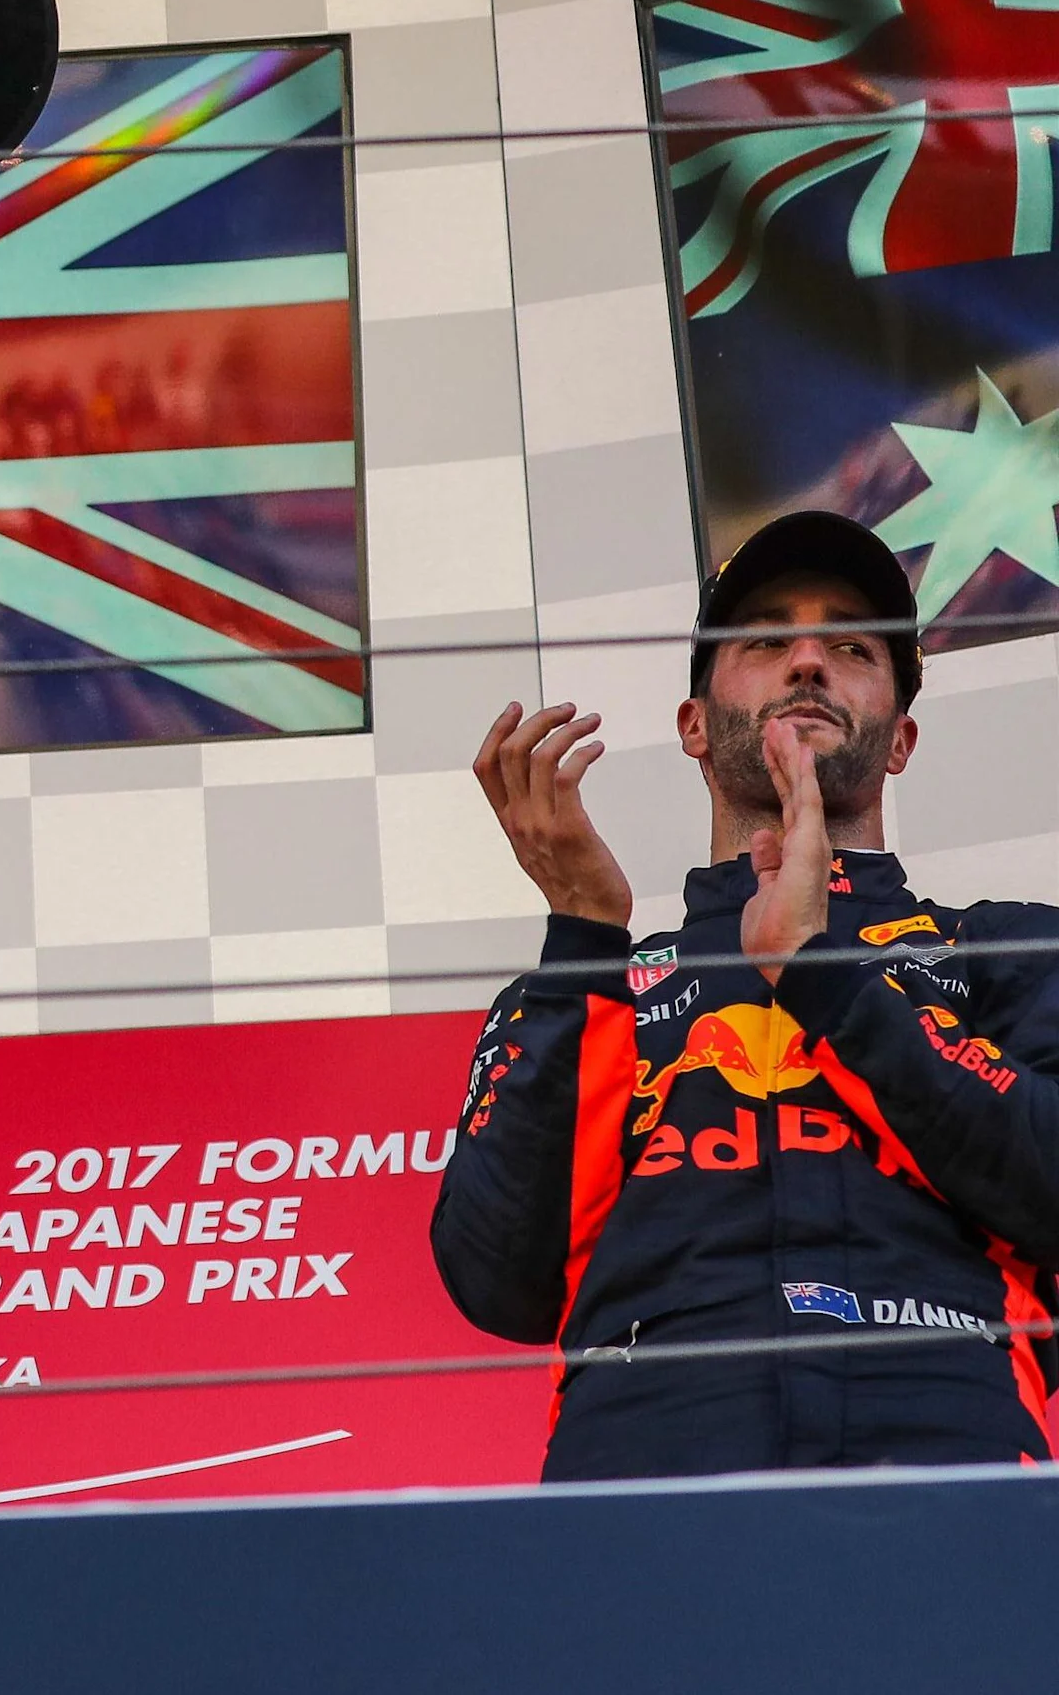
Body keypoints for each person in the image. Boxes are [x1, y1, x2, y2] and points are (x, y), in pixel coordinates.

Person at [435, 510, 1059, 1478]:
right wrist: (578, 933)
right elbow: (496, 1280)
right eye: (764, 639)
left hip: (952, 1431)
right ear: (693, 725)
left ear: (898, 739)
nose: (805, 660)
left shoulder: (1005, 945)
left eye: (850, 647)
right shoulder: (586, 978)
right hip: (648, 1443)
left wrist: (822, 979)